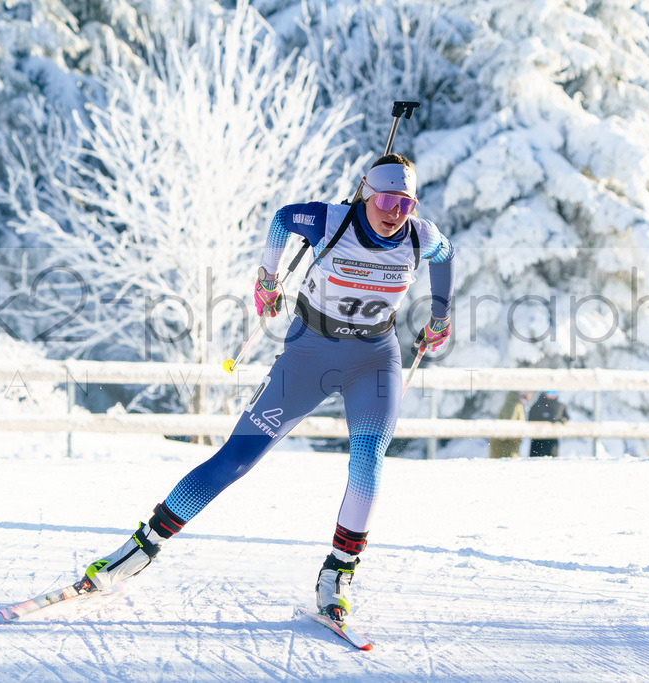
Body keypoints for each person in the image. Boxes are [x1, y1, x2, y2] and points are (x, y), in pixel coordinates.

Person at [79, 154, 455, 622]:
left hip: (374, 361)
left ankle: (337, 574)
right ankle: (139, 548)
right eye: (384, 198)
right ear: (364, 192)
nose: (394, 211)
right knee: (235, 458)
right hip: (308, 356)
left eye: (405, 202)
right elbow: (282, 220)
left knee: (368, 457)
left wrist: (441, 316)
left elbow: (446, 255)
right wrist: (267, 279)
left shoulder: (421, 235)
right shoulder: (330, 220)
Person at [489, 391, 533, 459]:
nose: (531, 394)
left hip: (506, 449)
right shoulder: (513, 403)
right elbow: (509, 428)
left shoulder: (515, 402)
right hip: (504, 450)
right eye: (530, 392)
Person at [527, 390, 569, 458]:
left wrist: (560, 422)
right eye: (549, 392)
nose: (552, 395)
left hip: (553, 441)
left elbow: (566, 418)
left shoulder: (560, 406)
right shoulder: (537, 405)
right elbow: (531, 420)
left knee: (552, 462)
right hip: (537, 441)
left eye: (554, 392)